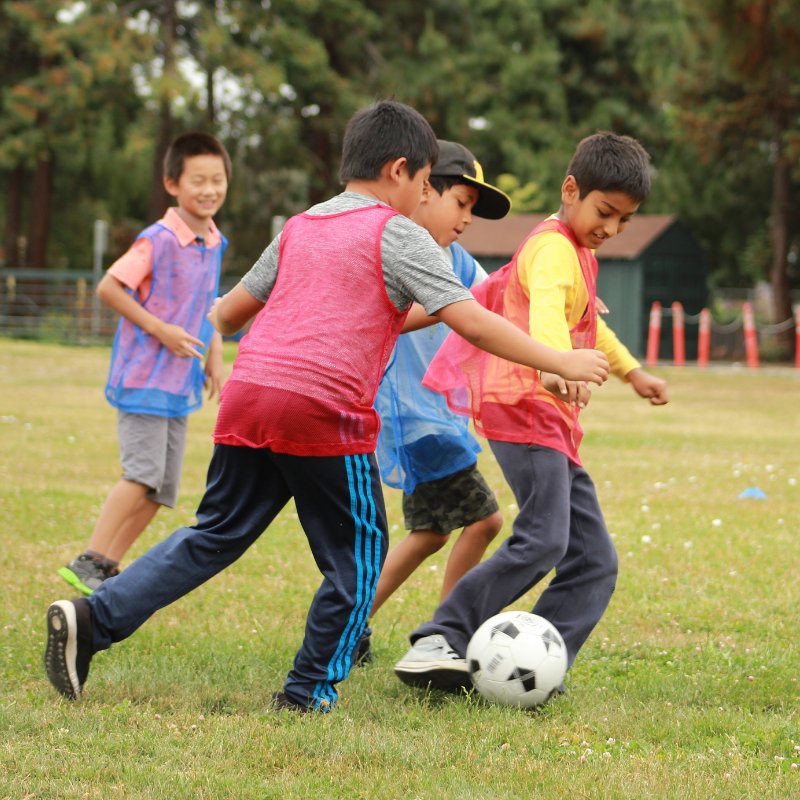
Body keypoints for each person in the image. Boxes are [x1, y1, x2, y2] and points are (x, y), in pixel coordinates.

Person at [44, 101, 609, 714]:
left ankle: (92, 620)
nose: (425, 199)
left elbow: (228, 313)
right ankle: (308, 689)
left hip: (249, 399)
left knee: (214, 535)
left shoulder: (301, 225)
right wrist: (559, 361)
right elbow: (468, 324)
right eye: (426, 184)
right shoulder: (397, 232)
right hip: (322, 408)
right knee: (360, 559)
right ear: (400, 171)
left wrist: (225, 353)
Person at [394, 131, 669, 693]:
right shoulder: (551, 249)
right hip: (525, 407)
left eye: (624, 221)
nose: (611, 229)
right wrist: (554, 365)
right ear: (572, 189)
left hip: (551, 419)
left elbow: (589, 322)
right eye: (604, 212)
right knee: (544, 539)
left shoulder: (579, 254)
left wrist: (632, 371)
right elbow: (546, 308)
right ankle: (441, 636)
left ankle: (542, 665)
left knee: (594, 559)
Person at [57, 132, 230, 595]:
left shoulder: (213, 241)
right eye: (199, 180)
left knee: (162, 491)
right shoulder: (157, 239)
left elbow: (208, 300)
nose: (210, 189)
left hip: (179, 383)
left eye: (218, 179)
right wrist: (161, 329)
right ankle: (89, 558)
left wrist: (214, 352)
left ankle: (107, 568)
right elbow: (110, 287)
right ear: (172, 183)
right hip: (142, 378)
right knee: (141, 475)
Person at [358, 140, 511, 664]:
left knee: (428, 533)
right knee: (485, 521)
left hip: (434, 420)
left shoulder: (458, 261)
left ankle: (350, 624)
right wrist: (452, 308)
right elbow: (393, 318)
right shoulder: (396, 252)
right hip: (411, 419)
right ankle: (446, 634)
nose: (467, 218)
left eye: (473, 208)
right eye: (461, 202)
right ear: (424, 190)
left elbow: (499, 301)